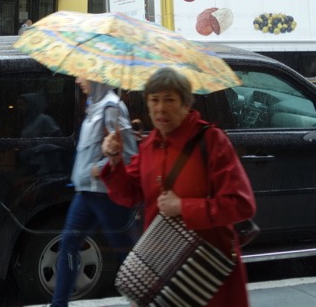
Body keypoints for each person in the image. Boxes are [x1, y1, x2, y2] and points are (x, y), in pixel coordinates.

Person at [100, 67, 256, 307]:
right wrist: (115, 160)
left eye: (169, 100)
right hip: (162, 268)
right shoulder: (150, 145)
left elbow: (241, 204)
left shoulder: (211, 141)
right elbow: (128, 195)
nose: (160, 108)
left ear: (186, 104)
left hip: (206, 269)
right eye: (154, 100)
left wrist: (183, 206)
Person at [49, 76, 139, 307]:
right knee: (69, 245)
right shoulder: (94, 106)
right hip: (86, 192)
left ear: (96, 77)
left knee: (126, 252)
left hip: (106, 194)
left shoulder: (112, 107)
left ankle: (145, 296)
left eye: (82, 73)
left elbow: (129, 154)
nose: (78, 79)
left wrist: (101, 167)